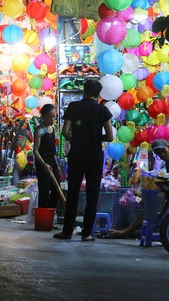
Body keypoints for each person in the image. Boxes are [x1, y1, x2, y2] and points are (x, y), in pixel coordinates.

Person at [54, 79, 114, 242]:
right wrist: (95, 137)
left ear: (84, 91)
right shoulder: (103, 110)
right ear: (98, 94)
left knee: (73, 192)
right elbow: (110, 136)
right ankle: (87, 233)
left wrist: (77, 138)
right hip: (94, 156)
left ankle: (67, 231)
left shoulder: (74, 107)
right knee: (92, 194)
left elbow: (65, 132)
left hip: (77, 155)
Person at [109, 139, 169, 239]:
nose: (161, 154)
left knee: (151, 208)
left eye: (162, 151)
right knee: (149, 205)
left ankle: (125, 232)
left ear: (168, 147)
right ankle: (127, 231)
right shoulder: (167, 164)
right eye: (158, 153)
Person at [33, 104, 60, 209]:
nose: (52, 119)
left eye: (54, 116)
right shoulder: (40, 130)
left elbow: (53, 152)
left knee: (56, 191)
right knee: (44, 191)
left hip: (52, 162)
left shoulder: (53, 128)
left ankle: (49, 212)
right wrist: (44, 165)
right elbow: (35, 151)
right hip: (42, 163)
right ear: (43, 116)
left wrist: (56, 164)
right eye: (50, 117)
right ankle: (42, 216)